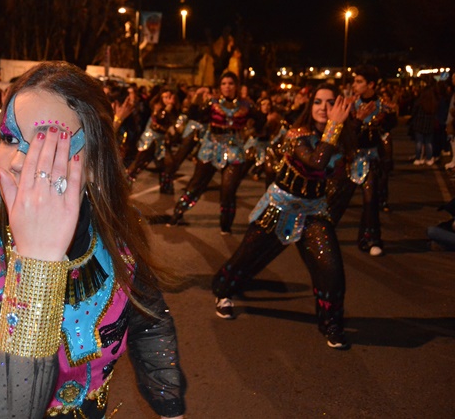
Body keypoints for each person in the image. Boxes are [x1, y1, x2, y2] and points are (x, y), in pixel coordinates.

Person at [0, 61, 186, 418]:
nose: (20, 160)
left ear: (92, 161)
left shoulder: (116, 231)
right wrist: (38, 261)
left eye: (48, 143)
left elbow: (148, 319)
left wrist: (169, 405)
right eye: (10, 138)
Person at [211, 85, 352, 349]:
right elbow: (316, 161)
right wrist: (334, 127)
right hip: (280, 207)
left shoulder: (342, 141)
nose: (323, 107)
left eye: (330, 102)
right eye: (318, 102)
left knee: (330, 268)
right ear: (310, 106)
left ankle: (331, 323)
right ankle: (223, 291)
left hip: (313, 212)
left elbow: (340, 181)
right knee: (248, 257)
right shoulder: (298, 134)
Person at [168, 71, 263, 233]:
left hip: (234, 149)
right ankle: (177, 213)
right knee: (197, 184)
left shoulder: (246, 105)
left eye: (231, 83)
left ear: (236, 86)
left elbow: (262, 120)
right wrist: (196, 99)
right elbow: (195, 116)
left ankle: (225, 225)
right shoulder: (212, 103)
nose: (227, 87)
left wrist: (251, 132)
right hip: (211, 147)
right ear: (220, 87)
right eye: (224, 83)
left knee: (228, 188)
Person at [328, 65, 397, 256]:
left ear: (371, 84)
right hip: (350, 159)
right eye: (355, 81)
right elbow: (344, 134)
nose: (355, 85)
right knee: (337, 198)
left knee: (370, 199)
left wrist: (385, 120)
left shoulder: (384, 106)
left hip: (371, 158)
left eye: (359, 81)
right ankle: (320, 234)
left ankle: (371, 239)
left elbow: (390, 128)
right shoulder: (349, 106)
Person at [126, 87, 179, 192]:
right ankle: (125, 183)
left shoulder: (172, 110)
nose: (168, 100)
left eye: (170, 97)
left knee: (168, 163)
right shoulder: (158, 107)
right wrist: (168, 107)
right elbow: (161, 118)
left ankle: (166, 186)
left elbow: (174, 124)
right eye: (165, 97)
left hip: (161, 140)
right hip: (150, 139)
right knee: (139, 162)